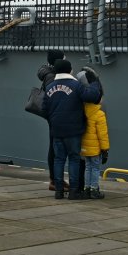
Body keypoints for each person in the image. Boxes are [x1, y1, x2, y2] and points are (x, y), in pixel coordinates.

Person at [42, 58, 102, 200]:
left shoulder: (50, 86)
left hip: (56, 129)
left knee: (59, 159)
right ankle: (74, 191)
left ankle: (59, 191)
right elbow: (92, 96)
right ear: (70, 70)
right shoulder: (75, 85)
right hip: (73, 129)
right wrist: (94, 81)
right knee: (74, 159)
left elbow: (44, 108)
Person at [36, 50, 67, 191]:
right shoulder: (52, 77)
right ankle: (55, 180)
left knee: (54, 146)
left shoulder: (46, 72)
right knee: (55, 147)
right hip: (56, 115)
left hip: (52, 114)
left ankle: (55, 179)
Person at [77, 68, 109, 199]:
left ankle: (87, 188)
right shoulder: (99, 114)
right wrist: (105, 150)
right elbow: (103, 135)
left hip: (84, 148)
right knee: (95, 169)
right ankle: (95, 189)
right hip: (96, 149)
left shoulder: (82, 111)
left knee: (88, 168)